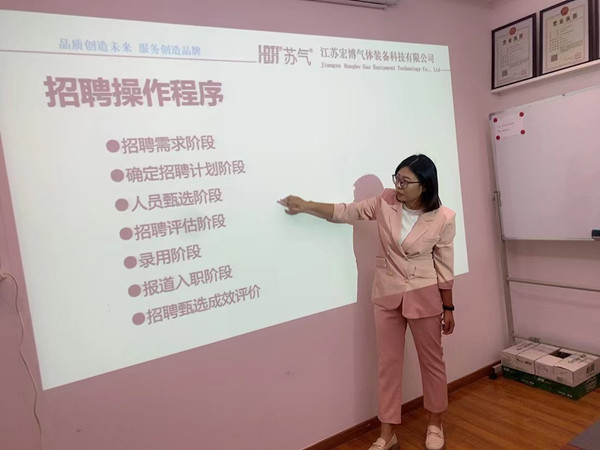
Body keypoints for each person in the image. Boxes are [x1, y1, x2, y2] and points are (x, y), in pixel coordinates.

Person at [278, 154, 456, 450]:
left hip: (425, 296)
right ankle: (387, 434)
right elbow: (347, 211)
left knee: (432, 363)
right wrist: (307, 205)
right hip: (387, 294)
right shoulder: (385, 201)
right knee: (388, 365)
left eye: (405, 181)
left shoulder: (443, 217)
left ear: (424, 185)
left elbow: (445, 266)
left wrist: (448, 307)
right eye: (397, 179)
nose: (398, 186)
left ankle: (435, 424)